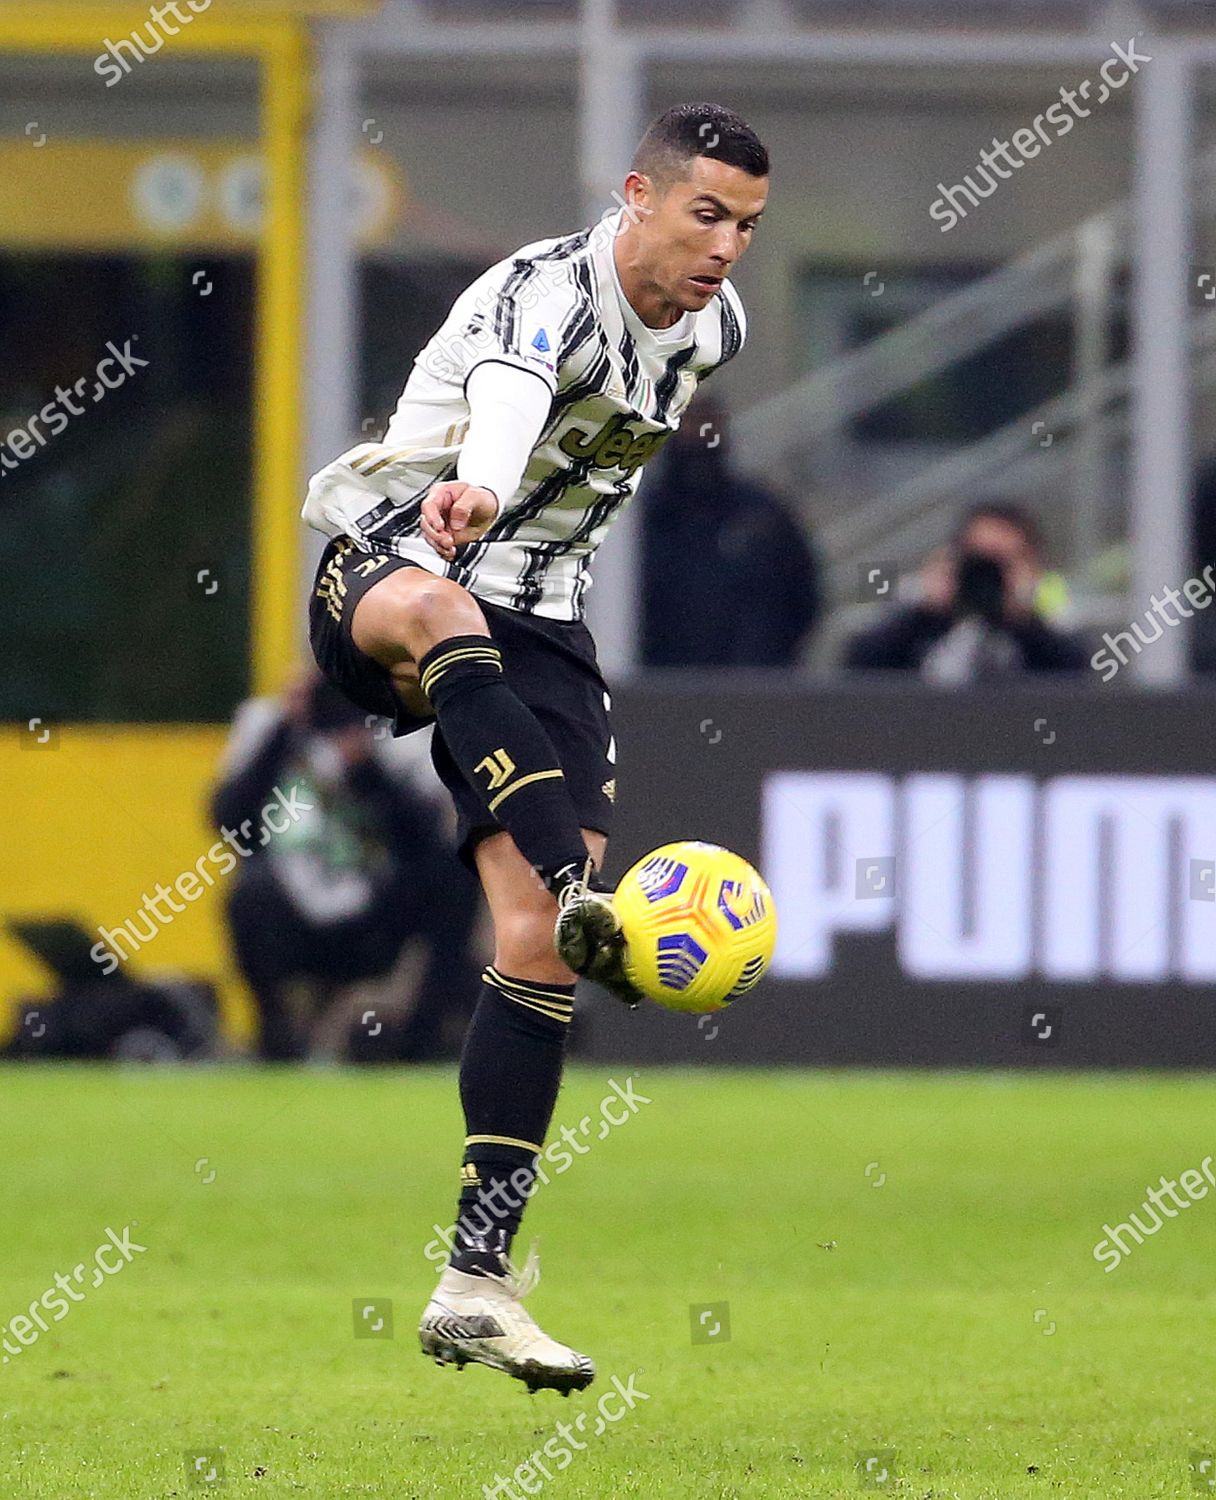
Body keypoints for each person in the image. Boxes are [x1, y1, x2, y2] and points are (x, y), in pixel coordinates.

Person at [302, 102, 769, 1393]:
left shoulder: (717, 327)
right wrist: (480, 490)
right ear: (638, 196)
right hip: (408, 555)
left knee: (525, 953)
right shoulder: (542, 293)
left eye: (743, 223)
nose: (726, 245)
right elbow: (511, 400)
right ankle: (587, 897)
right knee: (447, 614)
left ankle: (477, 1285)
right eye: (704, 212)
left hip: (549, 628)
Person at [212, 671, 481, 1062]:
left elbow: (425, 841)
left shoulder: (397, 733)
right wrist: (286, 729)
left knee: (454, 876)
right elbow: (229, 823)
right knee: (247, 892)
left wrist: (367, 764)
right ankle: (276, 1036)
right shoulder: (266, 723)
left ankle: (419, 1041)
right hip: (290, 908)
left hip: (374, 915)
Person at [640, 399, 820, 667]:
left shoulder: (762, 515)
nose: (698, 433)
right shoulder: (641, 520)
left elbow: (803, 593)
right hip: (658, 684)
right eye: (688, 422)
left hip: (751, 685)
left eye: (706, 423)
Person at [842, 503, 1087, 679]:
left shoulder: (1053, 607)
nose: (989, 574)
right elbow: (858, 667)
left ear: (1033, 565)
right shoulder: (919, 597)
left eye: (1002, 563)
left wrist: (1023, 620)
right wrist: (924, 614)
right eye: (979, 560)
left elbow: (1079, 675)